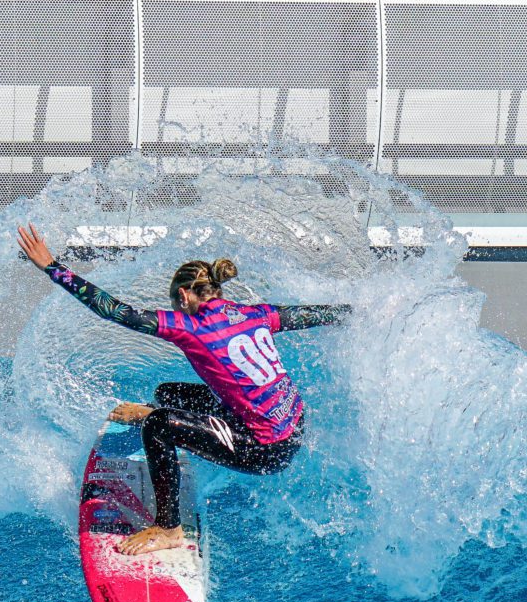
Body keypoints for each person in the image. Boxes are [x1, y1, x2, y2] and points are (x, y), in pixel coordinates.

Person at [17, 223, 349, 555]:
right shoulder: (256, 314)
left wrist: (52, 267)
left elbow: (115, 312)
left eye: (175, 304)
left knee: (158, 426)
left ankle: (168, 528)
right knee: (169, 393)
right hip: (292, 425)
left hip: (266, 448)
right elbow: (311, 315)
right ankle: (162, 416)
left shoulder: (192, 326)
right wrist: (356, 313)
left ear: (183, 296)